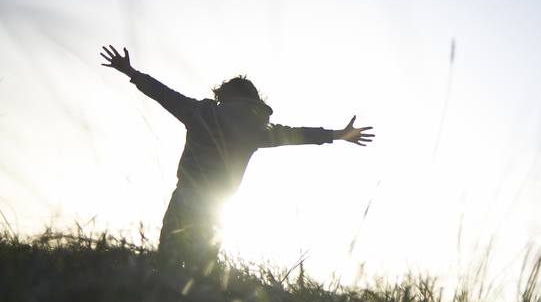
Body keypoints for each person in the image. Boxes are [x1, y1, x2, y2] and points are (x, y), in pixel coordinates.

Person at [99, 45, 374, 269]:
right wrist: (338, 134)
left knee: (166, 265)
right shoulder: (258, 131)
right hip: (216, 205)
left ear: (224, 96)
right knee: (202, 272)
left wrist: (130, 71)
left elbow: (164, 94)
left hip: (186, 196)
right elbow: (298, 134)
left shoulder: (202, 113)